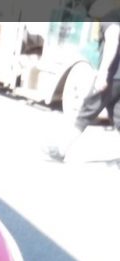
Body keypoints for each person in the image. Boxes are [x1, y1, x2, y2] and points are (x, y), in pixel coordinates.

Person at [45, 1, 120, 161]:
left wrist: (103, 73)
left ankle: (61, 150)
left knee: (85, 112)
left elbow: (112, 40)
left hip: (113, 75)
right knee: (118, 115)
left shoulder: (111, 17)